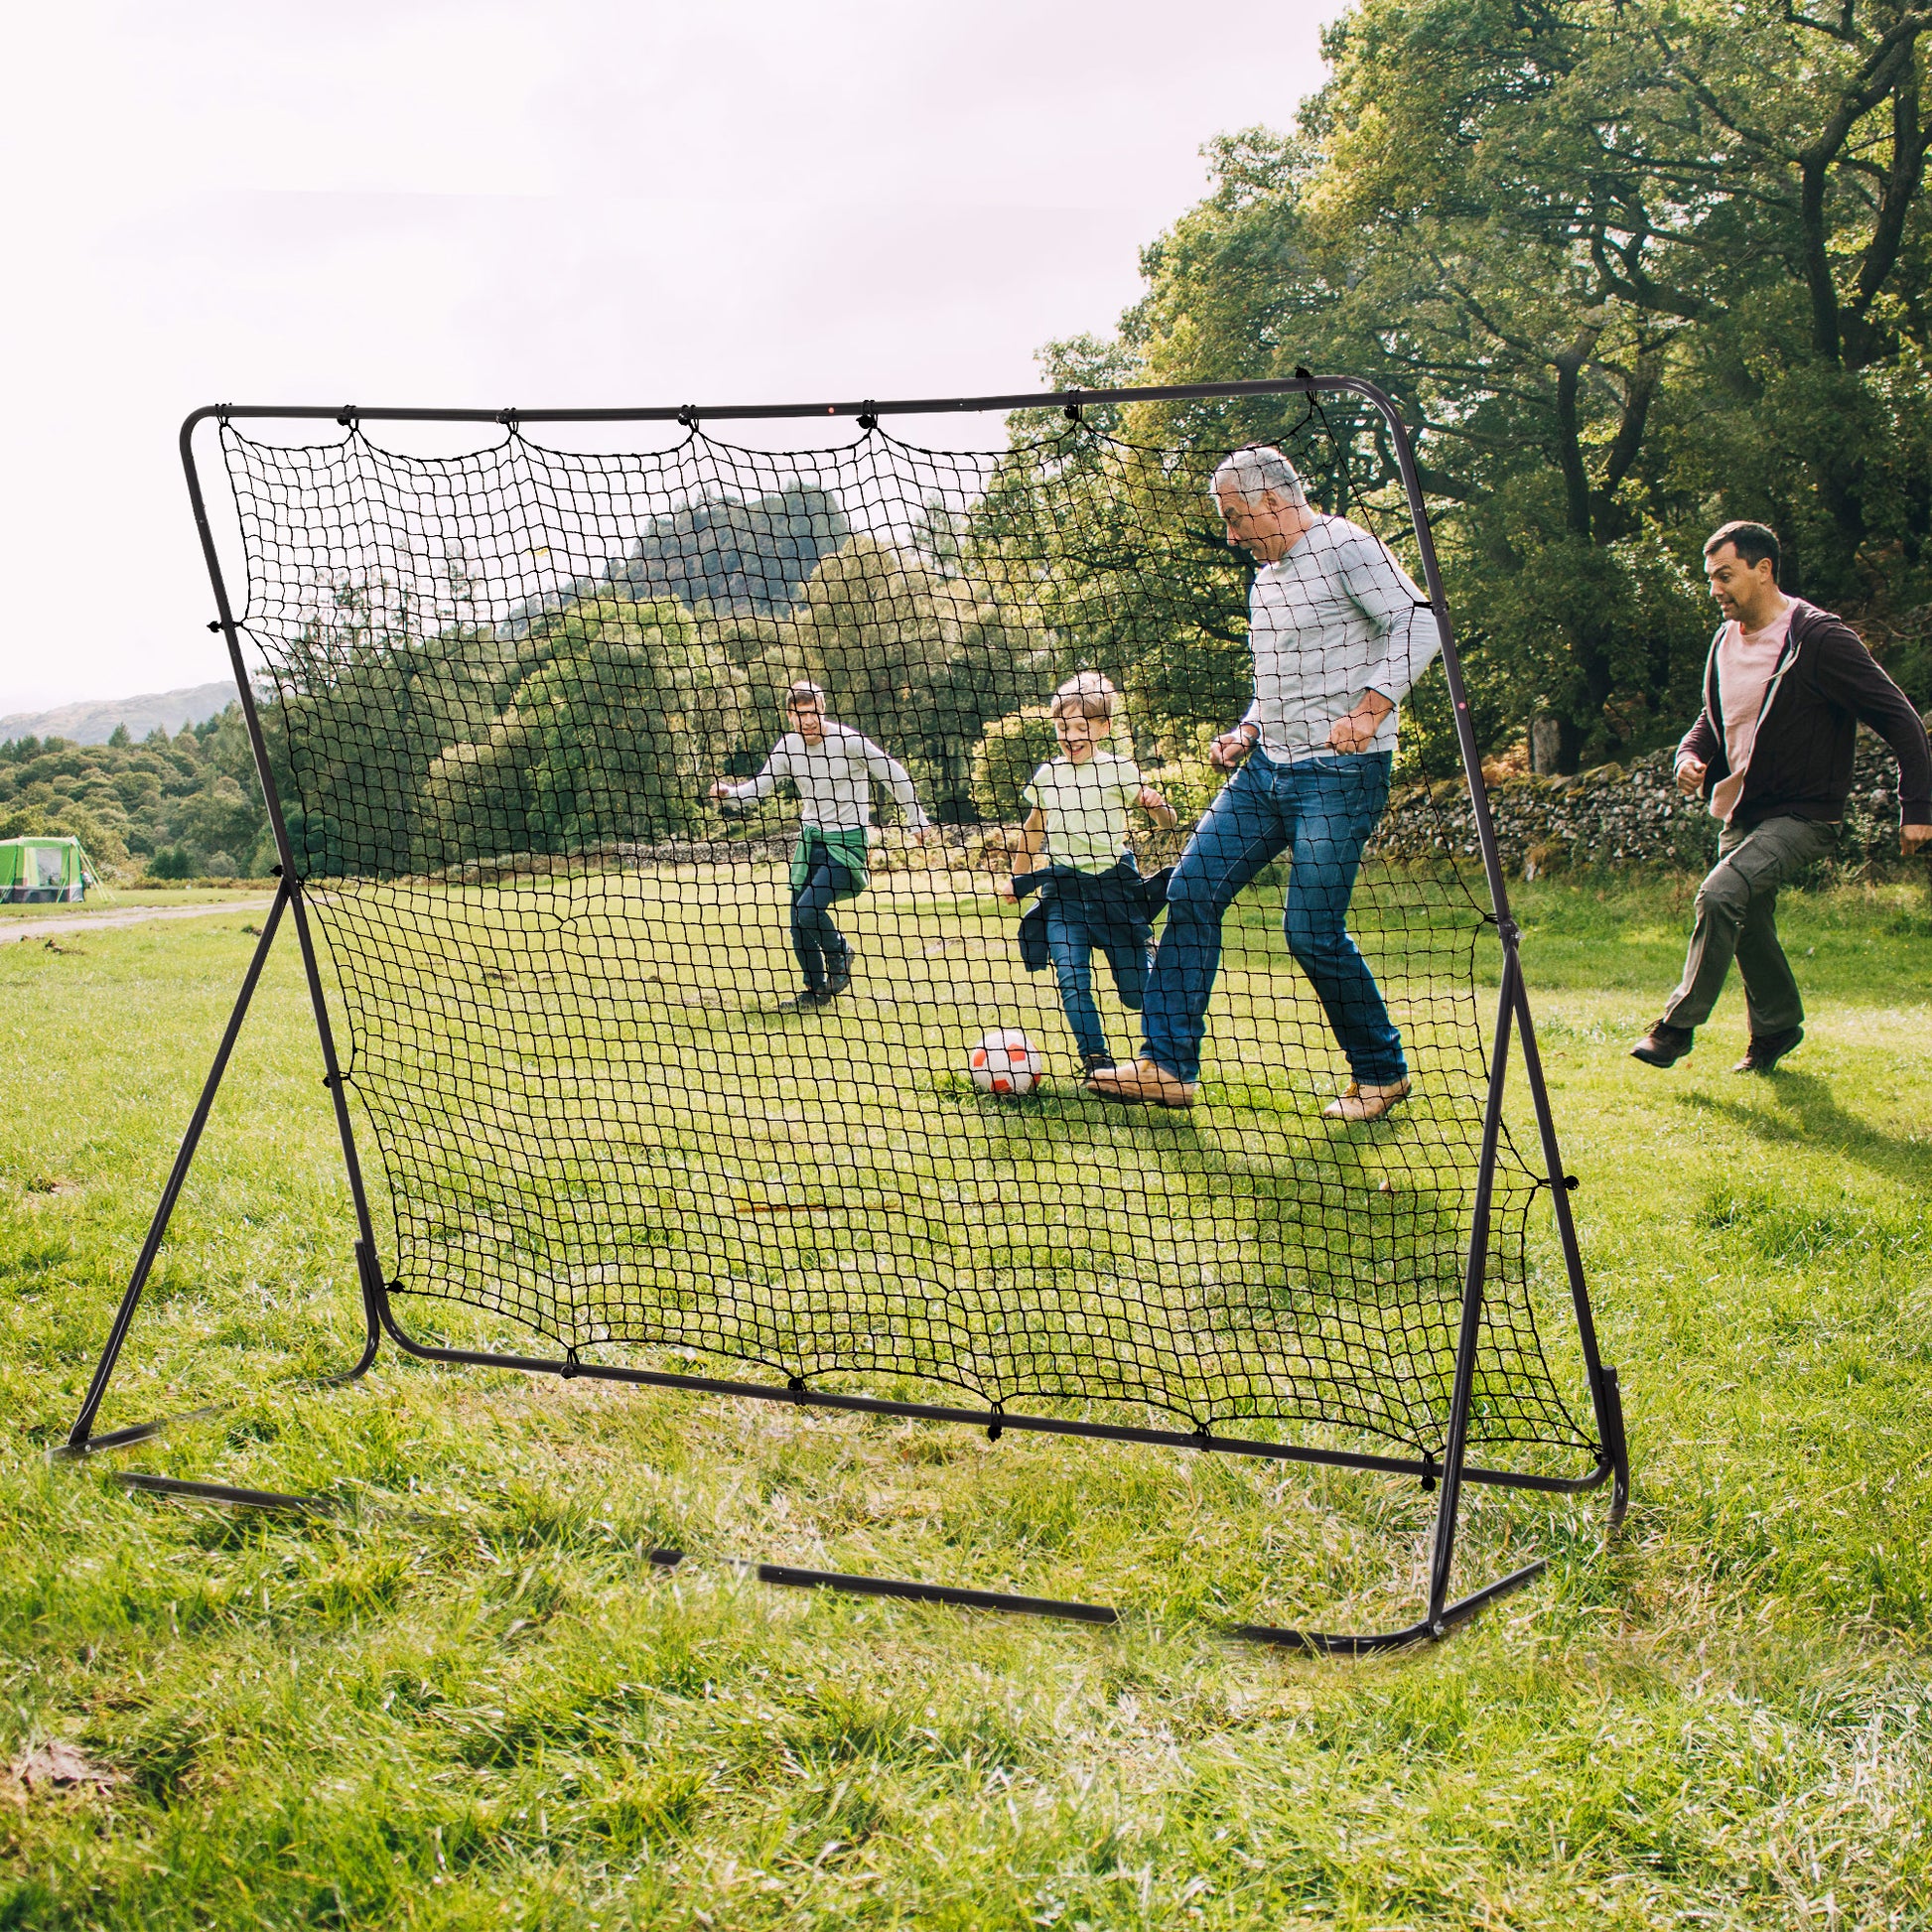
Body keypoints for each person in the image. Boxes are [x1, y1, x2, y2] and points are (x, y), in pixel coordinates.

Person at [1090, 445, 1440, 1115]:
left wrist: (1370, 711)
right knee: (1191, 891)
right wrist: (1247, 730)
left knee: (1310, 930)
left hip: (1338, 776)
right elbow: (1277, 679)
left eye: (1234, 517)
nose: (1231, 534)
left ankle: (1381, 1071)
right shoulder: (1267, 579)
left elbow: (1419, 623)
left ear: (1273, 502)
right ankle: (1167, 1067)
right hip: (1267, 770)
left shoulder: (1346, 546)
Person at [1631, 521, 1930, 1072]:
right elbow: (1712, 718)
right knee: (1746, 921)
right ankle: (1776, 1029)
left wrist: (1918, 807)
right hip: (1744, 810)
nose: (1715, 589)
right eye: (1710, 578)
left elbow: (1899, 717)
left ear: (1763, 569)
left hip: (1804, 814)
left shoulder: (1818, 639)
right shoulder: (1724, 641)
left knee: (1720, 895)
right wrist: (1688, 757)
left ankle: (1674, 1029)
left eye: (1725, 575)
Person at [710, 681, 934, 1009]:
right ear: (790, 715)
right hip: (811, 842)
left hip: (848, 844)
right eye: (801, 715)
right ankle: (815, 992)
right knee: (798, 922)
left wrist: (916, 820)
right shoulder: (788, 747)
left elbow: (893, 773)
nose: (809, 721)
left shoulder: (849, 741)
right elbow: (760, 787)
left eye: (814, 712)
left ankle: (840, 951)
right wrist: (730, 793)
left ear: (823, 708)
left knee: (809, 909)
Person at [999, 672, 1177, 1076]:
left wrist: (1155, 804)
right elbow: (1033, 828)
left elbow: (1169, 821)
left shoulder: (1119, 770)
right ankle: (1096, 1061)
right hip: (1064, 894)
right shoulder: (1048, 776)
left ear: (1103, 728)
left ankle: (1161, 1040)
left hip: (1114, 893)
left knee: (1136, 996)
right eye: (1063, 727)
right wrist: (1017, 877)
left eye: (1081, 727)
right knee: (1072, 977)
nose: (1071, 736)